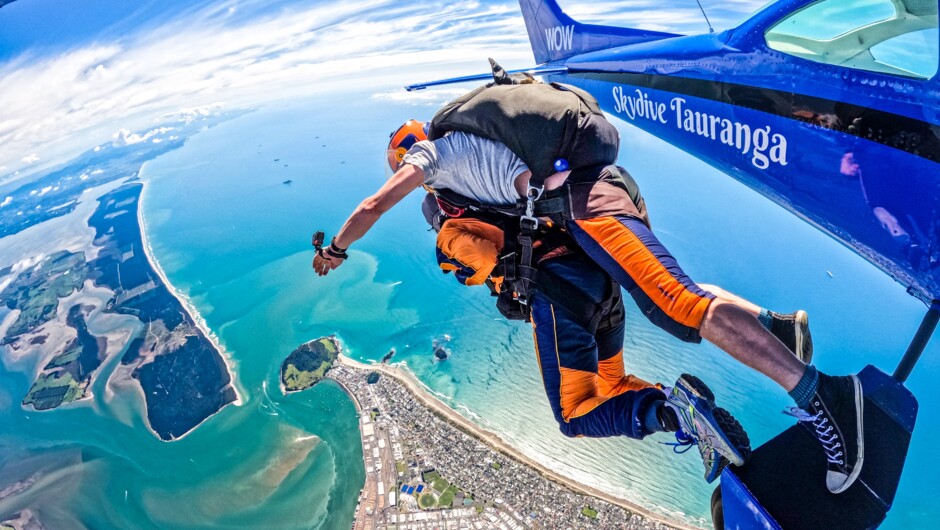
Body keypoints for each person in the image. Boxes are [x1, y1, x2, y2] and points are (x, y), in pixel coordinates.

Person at [315, 109, 863, 494]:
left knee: (581, 408)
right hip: (595, 273)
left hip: (562, 288)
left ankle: (701, 412)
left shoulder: (436, 163)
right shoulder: (490, 153)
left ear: (405, 154)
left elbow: (375, 208)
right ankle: (768, 331)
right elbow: (530, 189)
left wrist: (336, 249)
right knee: (646, 338)